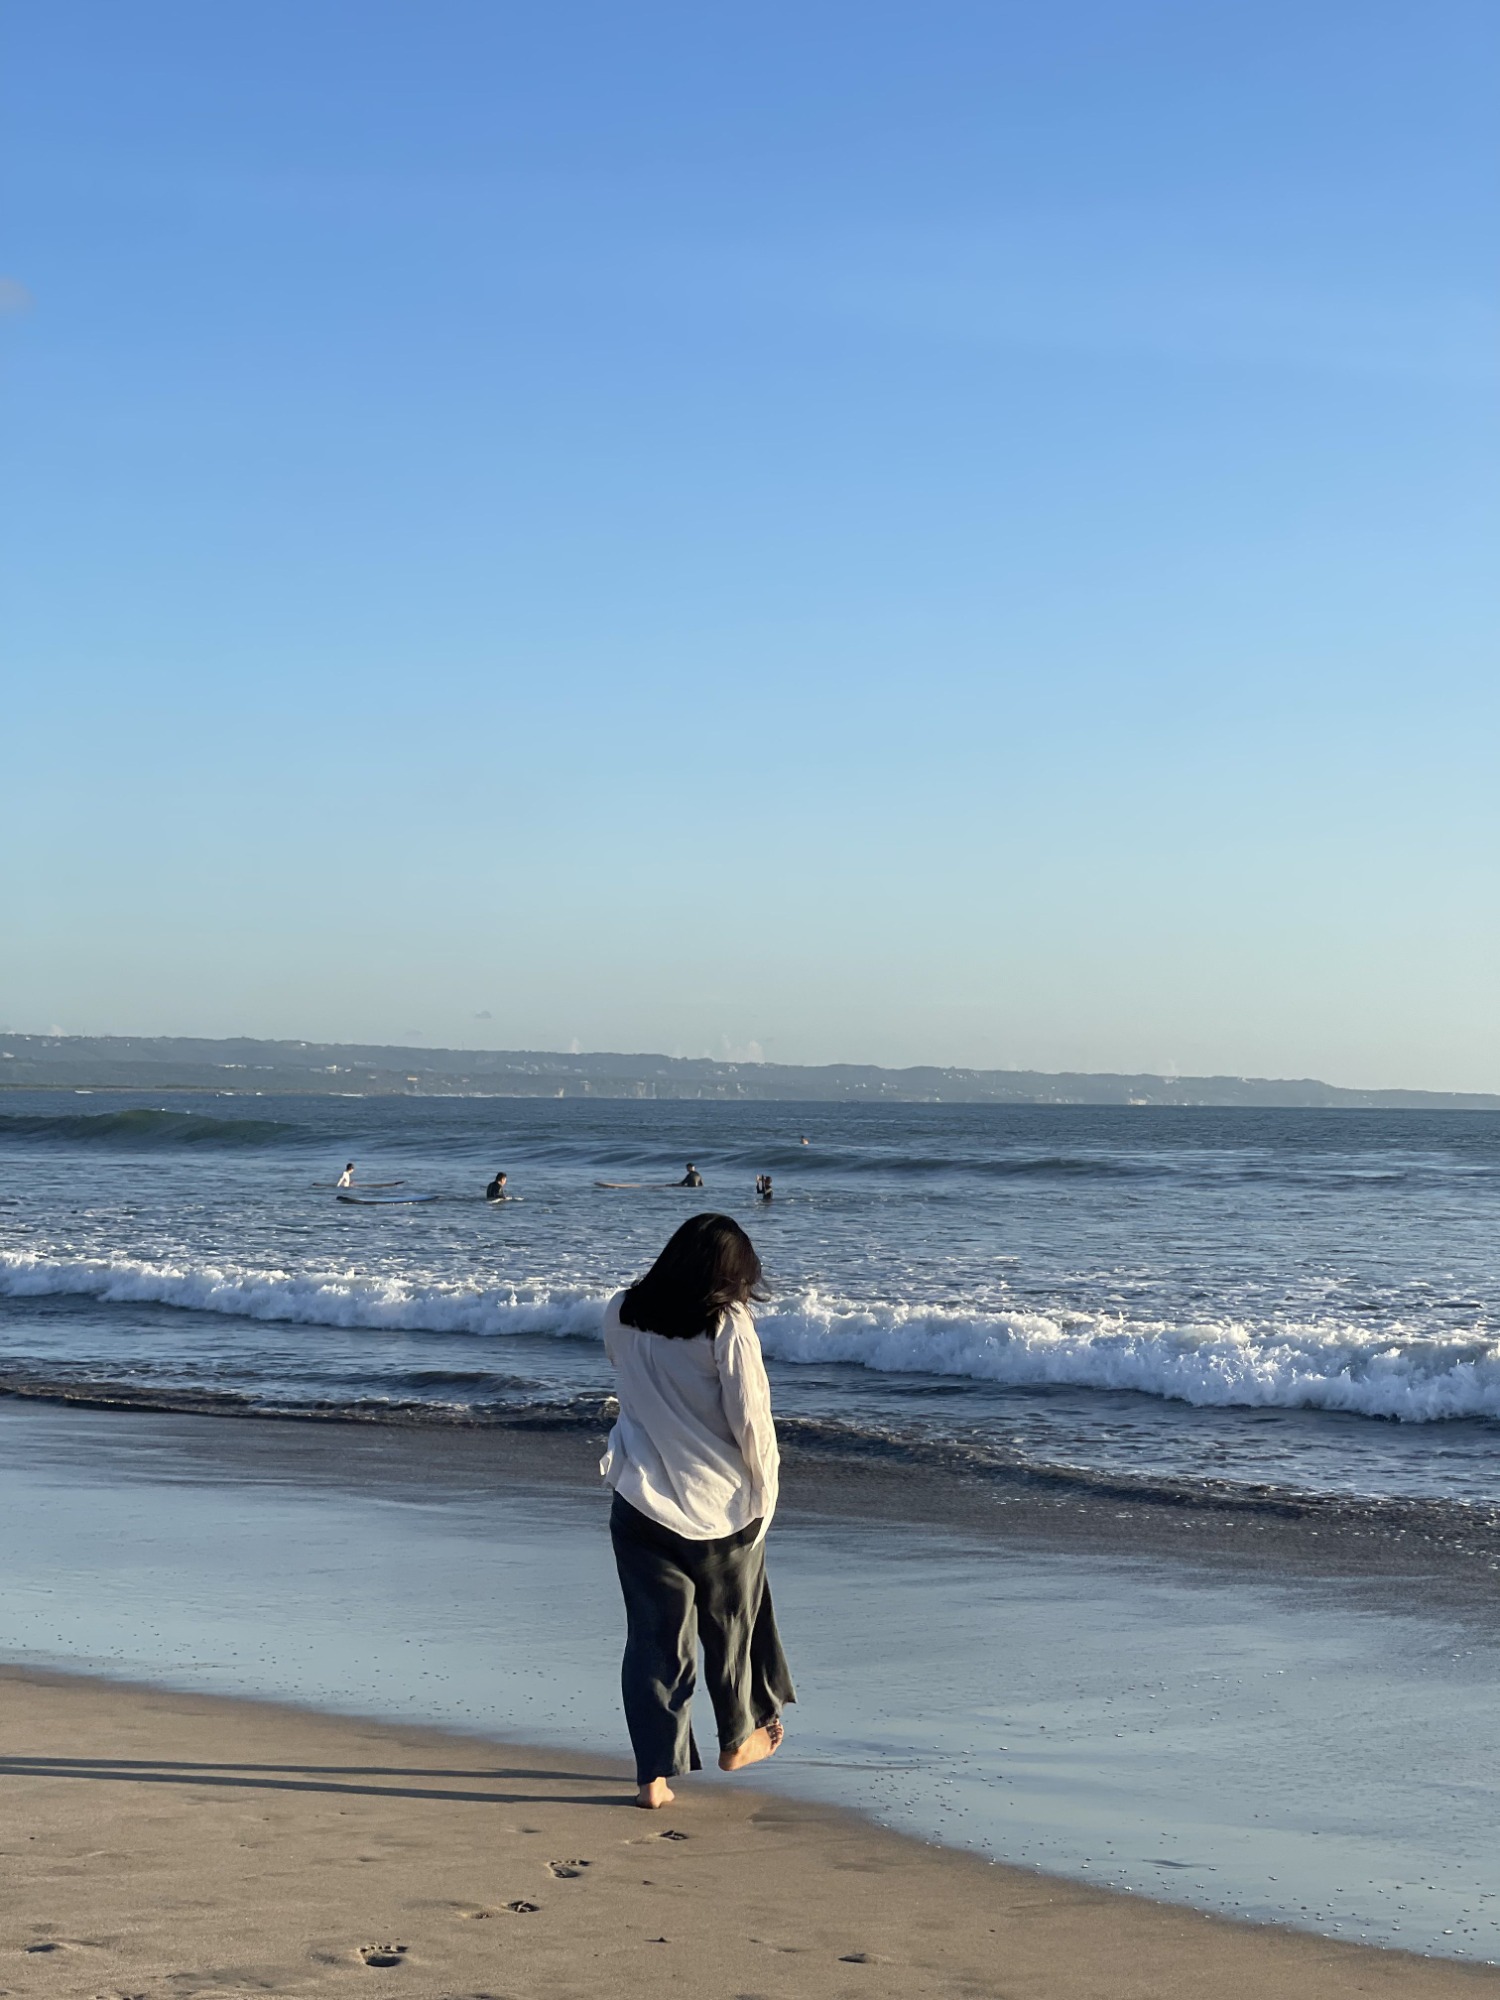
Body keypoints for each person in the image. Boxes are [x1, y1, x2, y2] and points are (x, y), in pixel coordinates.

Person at [600, 1213, 795, 1810]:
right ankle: (739, 1736)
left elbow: (627, 1380)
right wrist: (765, 1498)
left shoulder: (621, 1310)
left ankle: (652, 1780)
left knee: (653, 1642)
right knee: (735, 1627)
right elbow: (752, 1422)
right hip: (720, 1511)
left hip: (639, 1499)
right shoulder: (726, 1326)